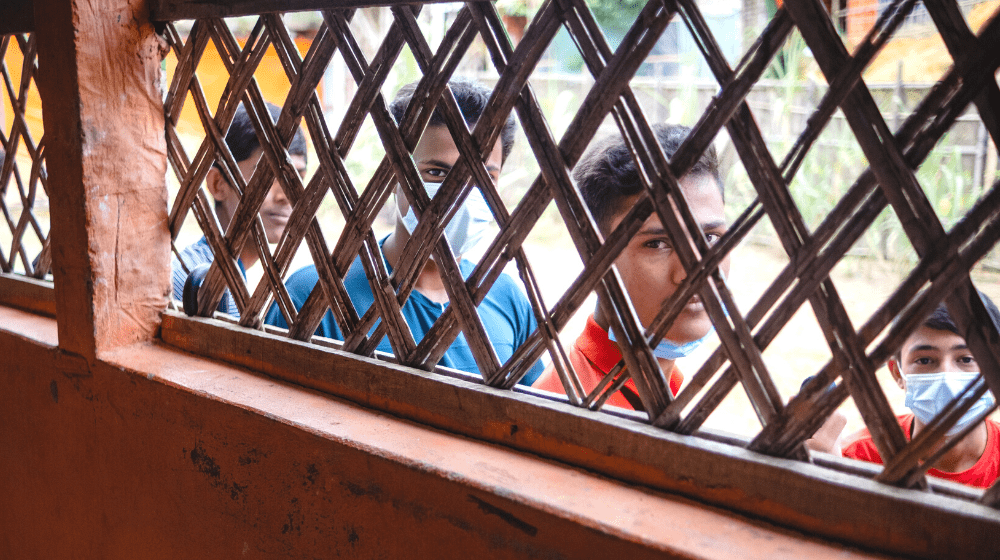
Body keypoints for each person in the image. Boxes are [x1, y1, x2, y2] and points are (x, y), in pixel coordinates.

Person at [266, 78, 543, 384]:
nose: (460, 193)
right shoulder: (317, 295)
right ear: (393, 175)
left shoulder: (507, 300)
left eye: (483, 176)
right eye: (436, 173)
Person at [532, 124, 728, 410]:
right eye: (658, 244)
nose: (694, 269)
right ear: (595, 256)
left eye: (710, 237)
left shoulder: (660, 387)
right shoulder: (570, 406)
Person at [841, 297, 1000, 487]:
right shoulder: (859, 458)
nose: (946, 378)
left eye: (966, 359)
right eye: (924, 360)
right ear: (896, 373)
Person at [171, 102, 308, 317]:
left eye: (296, 178)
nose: (286, 196)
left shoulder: (232, 282)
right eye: (268, 174)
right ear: (218, 184)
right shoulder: (193, 283)